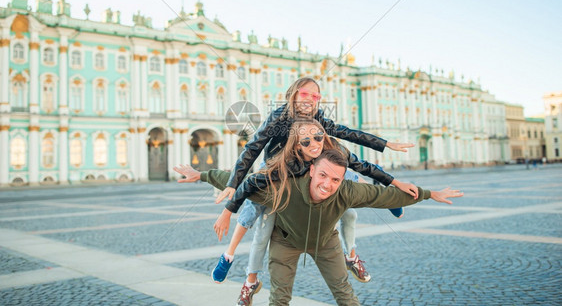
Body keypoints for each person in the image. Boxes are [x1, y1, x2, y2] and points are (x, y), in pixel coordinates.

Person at [210, 77, 413, 300]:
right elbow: (253, 148)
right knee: (255, 214)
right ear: (294, 94)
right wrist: (232, 183)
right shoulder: (278, 117)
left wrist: (384, 144)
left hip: (306, 165)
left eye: (316, 96)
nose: (311, 100)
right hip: (276, 168)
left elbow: (346, 132)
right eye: (306, 94)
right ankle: (229, 259)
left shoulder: (317, 119)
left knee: (349, 173)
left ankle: (388, 204)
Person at [174, 149, 463, 305]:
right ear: (312, 170)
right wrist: (201, 175)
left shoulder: (347, 191)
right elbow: (241, 179)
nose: (328, 184)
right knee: (279, 298)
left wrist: (429, 194)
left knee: (345, 293)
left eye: (335, 180)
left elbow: (385, 195)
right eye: (323, 175)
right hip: (285, 243)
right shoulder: (283, 189)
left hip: (326, 242)